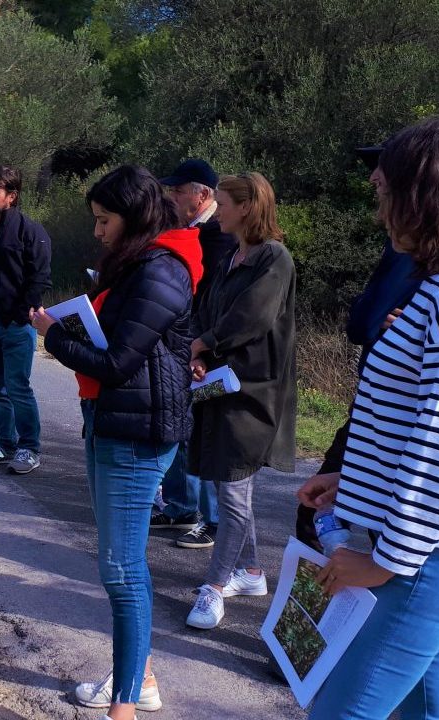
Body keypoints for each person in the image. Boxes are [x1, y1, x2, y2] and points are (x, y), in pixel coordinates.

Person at [298, 116, 439, 720]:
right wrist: (356, 481)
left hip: (429, 562)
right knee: (428, 712)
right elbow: (421, 425)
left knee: (339, 713)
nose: (379, 208)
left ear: (426, 198)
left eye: (384, 193)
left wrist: (383, 561)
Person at [31, 166, 201, 719]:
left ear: (133, 217)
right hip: (113, 422)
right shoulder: (137, 265)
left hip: (134, 433)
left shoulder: (160, 270)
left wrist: (55, 336)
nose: (99, 232)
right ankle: (140, 678)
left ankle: (124, 708)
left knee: (123, 572)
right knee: (120, 563)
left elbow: (118, 363)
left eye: (105, 221)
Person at [295, 141, 424, 551]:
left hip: (386, 421)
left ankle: (343, 603)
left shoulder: (419, 257)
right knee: (325, 509)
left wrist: (385, 564)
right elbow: (367, 320)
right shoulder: (404, 246)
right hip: (372, 412)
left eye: (381, 169)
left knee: (323, 517)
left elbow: (363, 322)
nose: (372, 178)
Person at [184, 171, 297, 630]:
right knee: (230, 484)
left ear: (248, 207)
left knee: (231, 488)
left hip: (252, 392)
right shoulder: (234, 254)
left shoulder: (275, 259)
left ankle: (214, 587)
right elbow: (208, 309)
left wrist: (206, 344)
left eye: (226, 203)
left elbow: (252, 317)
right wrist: (199, 349)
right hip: (222, 382)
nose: (219, 211)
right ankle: (250, 572)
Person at [151, 159, 237, 547]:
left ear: (202, 195)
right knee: (182, 425)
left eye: (178, 190)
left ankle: (215, 520)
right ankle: (181, 508)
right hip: (188, 343)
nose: (172, 197)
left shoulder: (219, 234)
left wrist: (199, 346)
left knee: (204, 431)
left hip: (209, 351)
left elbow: (213, 298)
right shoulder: (189, 229)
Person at [0, 165, 52, 474]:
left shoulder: (31, 231)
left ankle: (30, 448)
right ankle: (4, 443)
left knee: (18, 387)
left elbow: (40, 277)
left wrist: (23, 313)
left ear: (12, 196)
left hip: (15, 326)